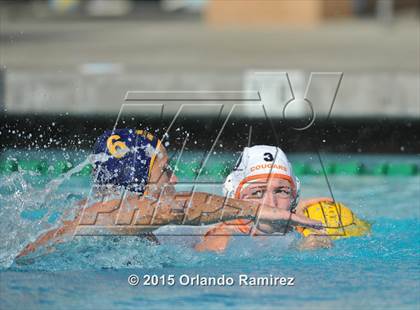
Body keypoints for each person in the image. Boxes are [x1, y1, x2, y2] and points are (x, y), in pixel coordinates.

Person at [17, 130, 323, 258]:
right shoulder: (106, 217)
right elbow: (179, 209)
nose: (174, 179)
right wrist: (251, 210)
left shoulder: (152, 231)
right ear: (136, 184)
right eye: (164, 171)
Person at [195, 145, 370, 252]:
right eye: (257, 193)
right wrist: (297, 252)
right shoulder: (221, 242)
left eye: (282, 191)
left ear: (294, 196)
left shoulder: (303, 226)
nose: (272, 204)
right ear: (234, 198)